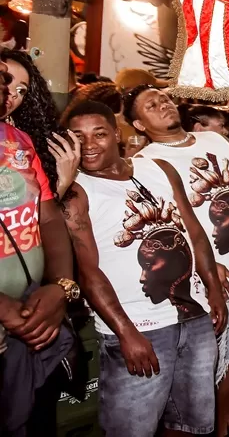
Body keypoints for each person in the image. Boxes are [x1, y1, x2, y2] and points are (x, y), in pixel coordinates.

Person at [62, 101, 228, 436]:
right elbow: (88, 271)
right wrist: (126, 332)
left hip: (192, 317)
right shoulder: (76, 191)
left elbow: (193, 231)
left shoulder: (159, 168)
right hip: (140, 327)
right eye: (78, 137)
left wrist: (213, 289)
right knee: (132, 430)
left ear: (117, 133)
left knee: (191, 425)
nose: (89, 144)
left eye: (99, 134)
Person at [126, 85, 229, 437]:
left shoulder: (215, 141)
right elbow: (167, 223)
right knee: (204, 367)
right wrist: (204, 265)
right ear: (138, 123)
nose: (162, 104)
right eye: (151, 105)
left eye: (163, 98)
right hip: (206, 284)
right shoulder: (145, 163)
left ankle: (224, 429)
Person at [0, 60, 78, 436]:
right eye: (4, 80)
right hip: (10, 315)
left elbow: (47, 220)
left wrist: (60, 287)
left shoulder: (19, 142)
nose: (8, 92)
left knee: (35, 419)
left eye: (17, 88)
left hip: (33, 316)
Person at [1, 48, 81, 198]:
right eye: (6, 79)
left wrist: (63, 182)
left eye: (21, 90)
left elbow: (41, 215)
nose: (13, 93)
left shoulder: (22, 142)